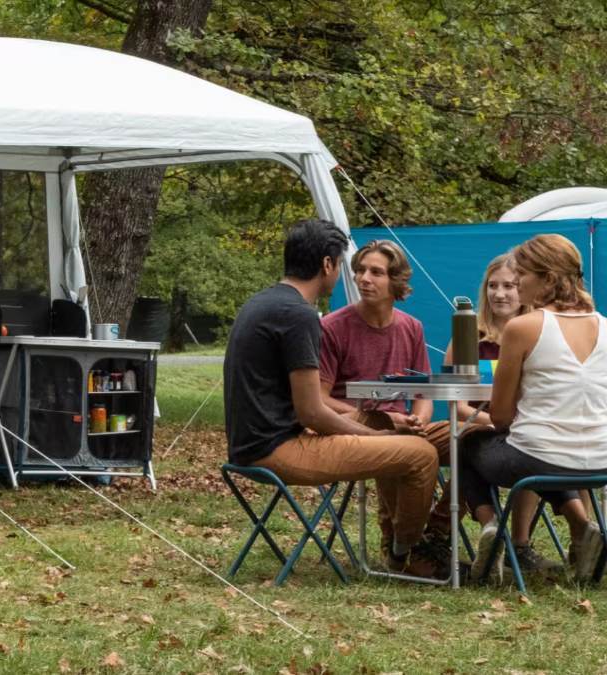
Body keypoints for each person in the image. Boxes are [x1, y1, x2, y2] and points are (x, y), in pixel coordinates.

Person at [224, 219, 440, 576]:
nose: (348, 276)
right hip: (277, 449)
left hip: (253, 443)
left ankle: (417, 543)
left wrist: (378, 427)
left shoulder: (264, 302)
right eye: (344, 266)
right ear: (328, 264)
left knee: (422, 435)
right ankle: (406, 553)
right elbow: (312, 412)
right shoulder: (299, 315)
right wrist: (376, 437)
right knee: (421, 454)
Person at [462, 234, 607, 582]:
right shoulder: (604, 325)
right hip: (601, 459)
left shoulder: (524, 327)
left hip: (538, 457)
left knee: (466, 442)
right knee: (550, 452)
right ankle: (582, 526)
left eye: (522, 275)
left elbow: (500, 416)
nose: (517, 283)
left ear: (548, 278)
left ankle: (491, 529)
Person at [317, 239, 450, 574]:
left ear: (396, 282)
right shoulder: (333, 326)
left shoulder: (411, 327)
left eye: (376, 272)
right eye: (360, 270)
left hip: (404, 423)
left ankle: (436, 530)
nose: (364, 278)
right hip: (356, 422)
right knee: (394, 441)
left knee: (473, 437)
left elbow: (423, 392)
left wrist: (418, 420)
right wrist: (391, 420)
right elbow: (318, 399)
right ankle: (403, 543)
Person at [443, 255, 559, 574]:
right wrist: (496, 421)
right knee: (465, 439)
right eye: (492, 286)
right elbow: (459, 405)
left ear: (522, 289)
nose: (500, 293)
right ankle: (493, 534)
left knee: (531, 442)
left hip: (527, 430)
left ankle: (515, 544)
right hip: (483, 426)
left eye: (509, 285)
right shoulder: (468, 334)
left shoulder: (538, 336)